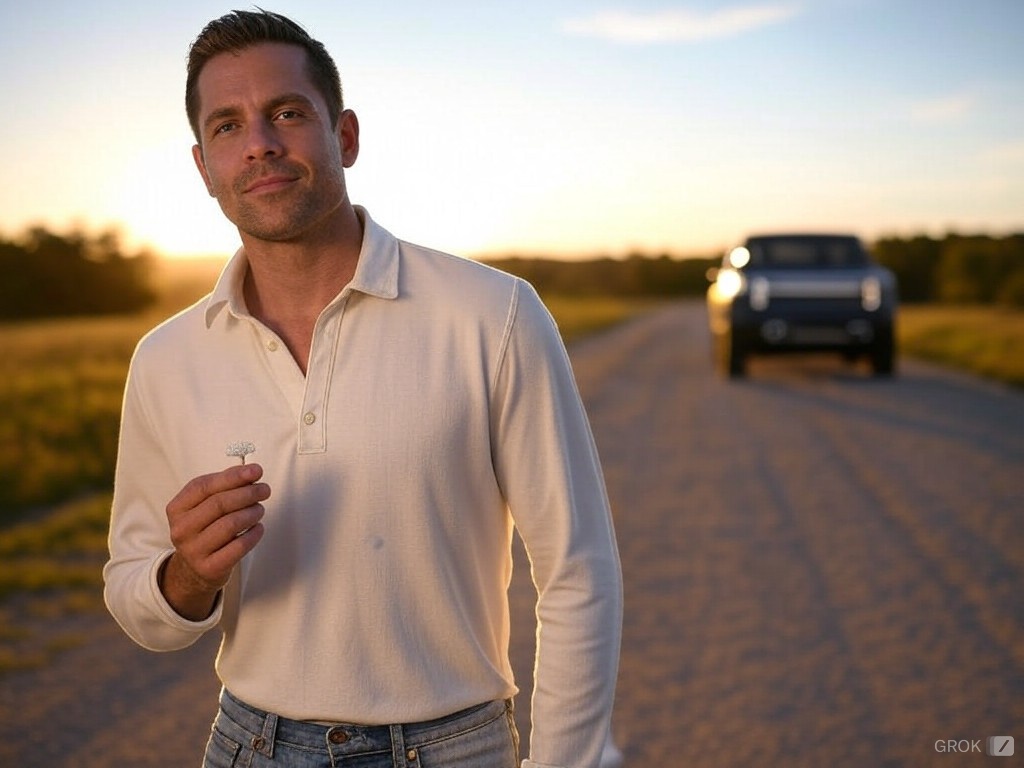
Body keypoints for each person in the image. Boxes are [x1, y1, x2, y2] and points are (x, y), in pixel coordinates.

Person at [103, 10, 622, 768]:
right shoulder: (165, 359)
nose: (260, 144)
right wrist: (188, 576)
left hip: (455, 747)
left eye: (287, 112)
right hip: (249, 745)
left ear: (344, 135)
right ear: (204, 168)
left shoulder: (495, 313)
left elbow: (579, 569)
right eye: (227, 126)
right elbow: (136, 603)